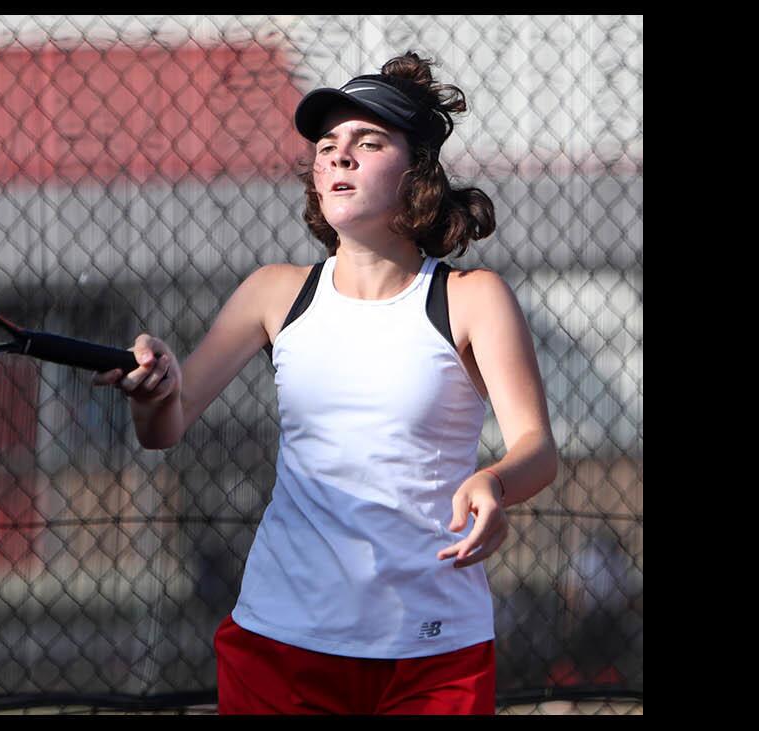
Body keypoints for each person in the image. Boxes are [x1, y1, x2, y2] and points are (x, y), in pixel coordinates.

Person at [95, 51, 557, 715]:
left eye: (368, 143)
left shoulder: (473, 298)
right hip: (281, 641)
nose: (340, 156)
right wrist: (150, 392)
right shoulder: (273, 292)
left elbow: (536, 446)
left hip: (432, 647)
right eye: (327, 145)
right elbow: (165, 426)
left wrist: (494, 482)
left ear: (417, 173)